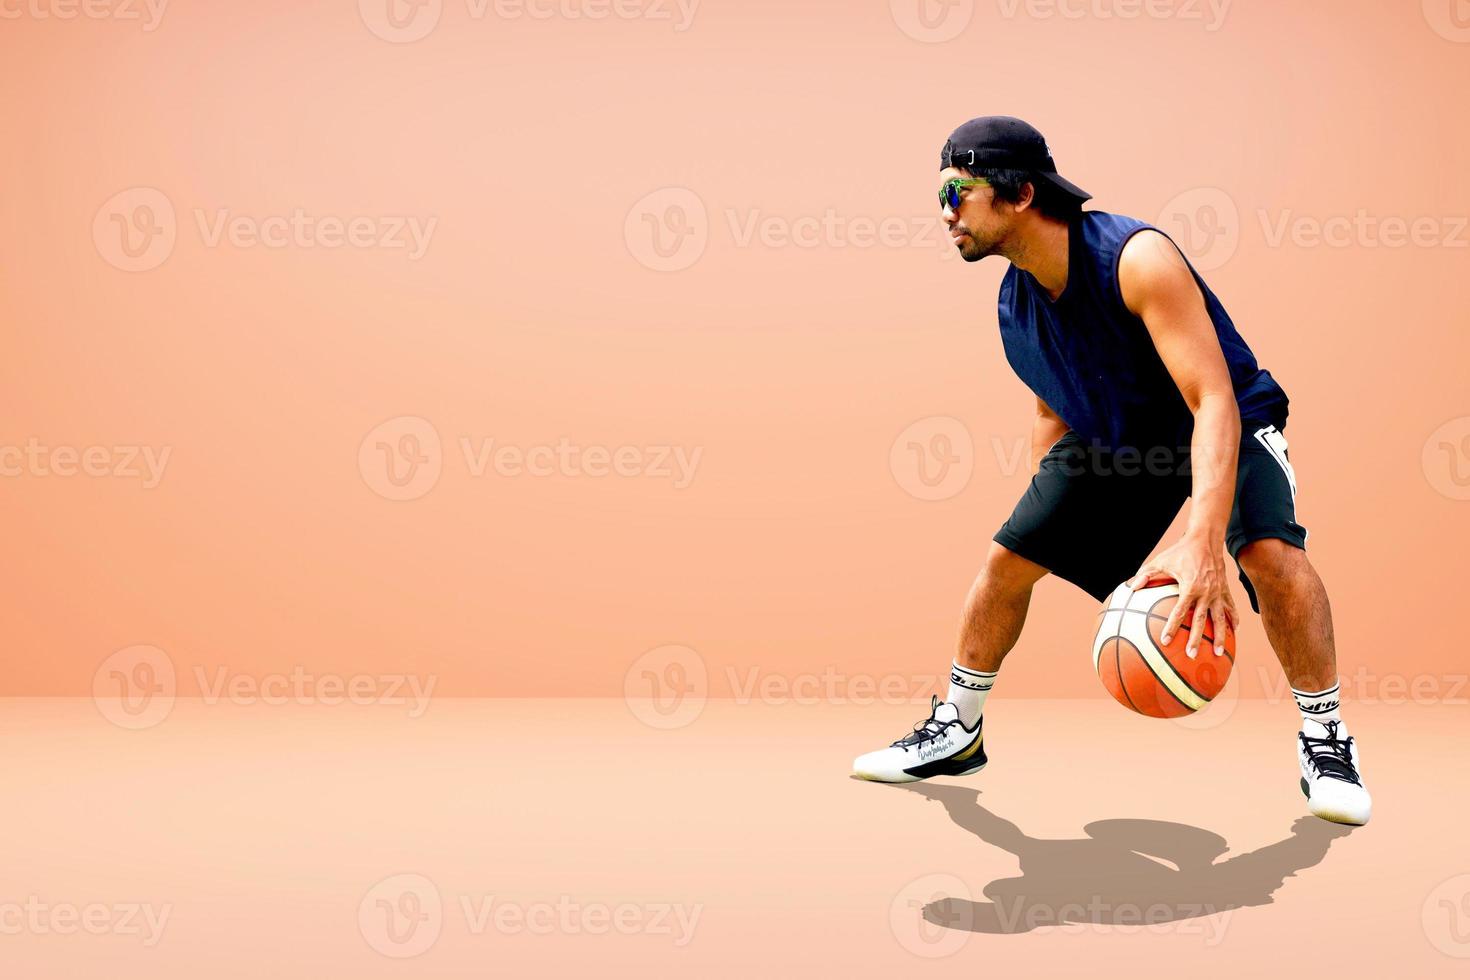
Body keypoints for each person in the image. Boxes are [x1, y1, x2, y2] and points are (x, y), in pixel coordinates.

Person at [852, 116, 1371, 826]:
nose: (945, 214)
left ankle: (1326, 737)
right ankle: (958, 729)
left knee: (1270, 556)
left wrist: (1202, 541)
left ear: (1021, 194)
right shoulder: (1016, 302)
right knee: (1005, 562)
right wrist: (1052, 524)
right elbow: (1050, 410)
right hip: (1122, 439)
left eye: (957, 192)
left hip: (1227, 419)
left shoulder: (1136, 259)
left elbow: (1211, 398)